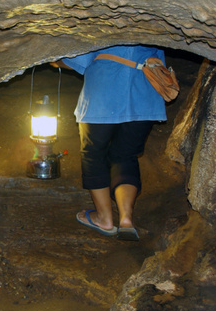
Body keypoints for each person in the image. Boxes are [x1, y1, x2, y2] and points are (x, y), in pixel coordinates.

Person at [51, 44, 168, 241]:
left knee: (94, 155)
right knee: (126, 156)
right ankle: (126, 220)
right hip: (143, 98)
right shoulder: (150, 26)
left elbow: (81, 59)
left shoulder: (107, 20)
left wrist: (54, 60)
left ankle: (104, 218)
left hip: (103, 98)